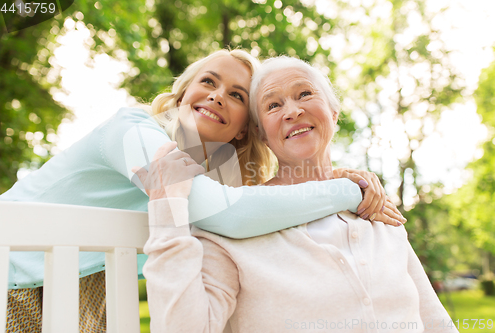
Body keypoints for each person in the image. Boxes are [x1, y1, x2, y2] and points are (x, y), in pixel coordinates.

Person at [0, 49, 403, 332]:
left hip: (82, 296)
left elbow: (252, 207)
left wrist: (330, 177)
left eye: (237, 95)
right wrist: (350, 191)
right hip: (9, 278)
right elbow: (233, 215)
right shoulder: (131, 130)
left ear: (247, 126)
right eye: (208, 82)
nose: (216, 96)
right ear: (182, 94)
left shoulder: (220, 178)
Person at [141, 56, 456, 332]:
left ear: (333, 113)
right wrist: (166, 205)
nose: (292, 111)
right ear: (261, 134)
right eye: (273, 105)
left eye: (304, 94)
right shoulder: (233, 229)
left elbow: (434, 321)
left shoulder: (377, 211)